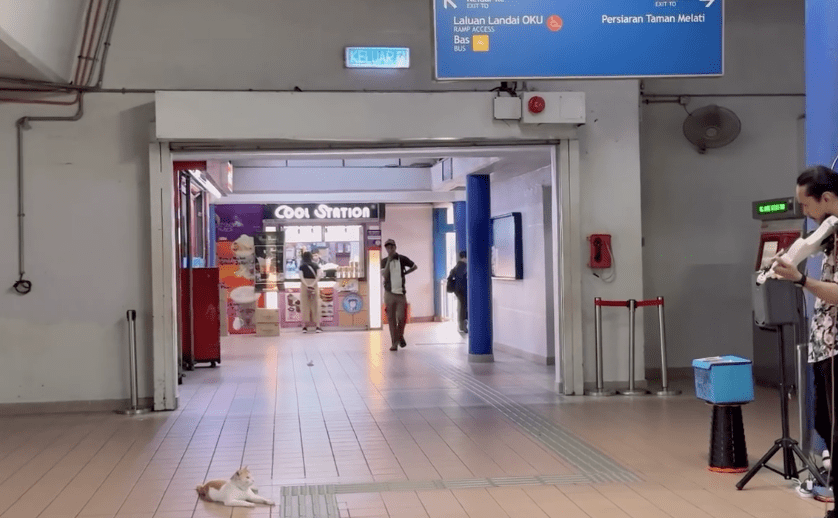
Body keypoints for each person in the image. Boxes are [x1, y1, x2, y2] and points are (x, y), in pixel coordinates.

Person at [771, 165, 838, 518]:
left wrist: (800, 280)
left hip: (837, 346)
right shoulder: (830, 233)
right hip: (824, 345)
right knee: (825, 425)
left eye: (807, 206)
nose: (806, 215)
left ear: (827, 198)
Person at [381, 238, 417, 351]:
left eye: (391, 247)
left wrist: (405, 272)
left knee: (402, 318)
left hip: (401, 294)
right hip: (389, 293)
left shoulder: (402, 259)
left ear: (395, 247)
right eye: (387, 247)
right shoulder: (384, 261)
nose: (389, 249)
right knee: (391, 319)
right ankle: (394, 343)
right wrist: (389, 261)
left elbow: (414, 266)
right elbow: (385, 275)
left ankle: (400, 336)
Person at [299, 251, 323, 333]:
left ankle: (304, 327)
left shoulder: (301, 266)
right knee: (315, 305)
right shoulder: (316, 265)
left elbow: (301, 277)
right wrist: (312, 284)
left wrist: (306, 285)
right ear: (311, 257)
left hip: (304, 286)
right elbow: (319, 275)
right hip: (314, 285)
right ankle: (318, 326)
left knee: (305, 305)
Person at [447, 251, 468, 333]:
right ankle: (463, 327)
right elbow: (462, 279)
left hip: (458, 290)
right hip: (462, 290)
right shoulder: (463, 266)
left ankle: (461, 326)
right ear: (465, 257)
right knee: (463, 308)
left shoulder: (457, 266)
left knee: (461, 307)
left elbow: (450, 277)